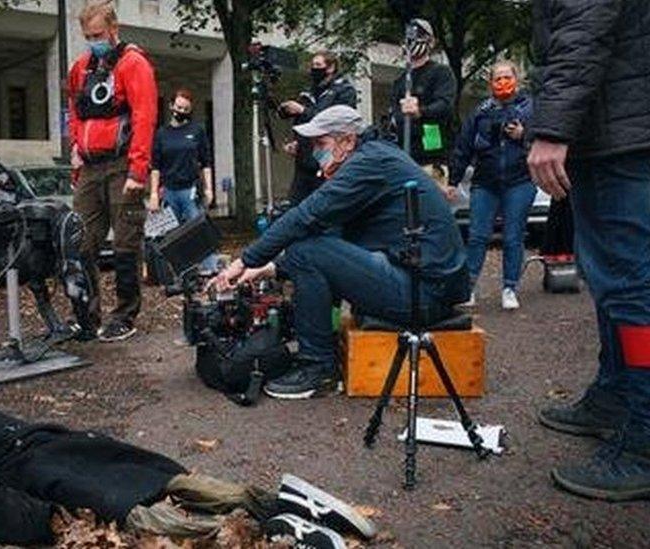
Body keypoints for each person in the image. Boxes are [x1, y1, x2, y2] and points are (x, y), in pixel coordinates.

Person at [0, 404, 377, 547]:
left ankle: (282, 532)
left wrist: (39, 525)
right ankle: (279, 502)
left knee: (137, 511)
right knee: (162, 478)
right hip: (53, 438)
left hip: (35, 468)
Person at [210, 106, 469, 399]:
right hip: (426, 285)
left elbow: (306, 215)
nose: (316, 153)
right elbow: (333, 234)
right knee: (308, 249)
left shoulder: (369, 163)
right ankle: (319, 350)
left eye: (321, 144)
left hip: (424, 294)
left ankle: (319, 367)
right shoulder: (375, 156)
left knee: (304, 251)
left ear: (347, 141)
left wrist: (245, 261)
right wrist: (267, 269)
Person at [527, 0, 650, 501]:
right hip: (616, 127)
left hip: (616, 134)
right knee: (615, 289)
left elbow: (582, 28)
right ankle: (616, 396)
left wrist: (554, 128)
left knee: (633, 296)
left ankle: (644, 437)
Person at [68, 0, 158, 342]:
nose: (94, 40)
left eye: (99, 34)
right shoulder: (81, 68)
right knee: (80, 243)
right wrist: (76, 147)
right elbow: (75, 111)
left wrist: (138, 170)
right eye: (89, 35)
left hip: (122, 165)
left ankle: (124, 314)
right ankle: (86, 315)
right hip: (90, 166)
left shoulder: (133, 64)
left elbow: (144, 116)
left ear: (114, 29)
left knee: (125, 242)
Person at [448, 61, 535, 310]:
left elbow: (543, 138)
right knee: (477, 236)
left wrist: (523, 134)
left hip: (520, 181)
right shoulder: (481, 111)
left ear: (517, 79)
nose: (502, 82)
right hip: (485, 182)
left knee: (513, 237)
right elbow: (463, 146)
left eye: (507, 77)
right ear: (490, 84)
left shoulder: (529, 108)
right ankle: (469, 288)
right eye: (497, 78)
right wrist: (453, 180)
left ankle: (510, 288)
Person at [148, 88, 218, 272]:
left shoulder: (197, 130)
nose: (181, 112)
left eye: (185, 109)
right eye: (178, 107)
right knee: (170, 235)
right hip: (169, 191)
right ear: (171, 106)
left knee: (198, 232)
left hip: (190, 190)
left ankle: (210, 271)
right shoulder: (162, 134)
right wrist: (154, 194)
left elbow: (206, 162)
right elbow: (155, 167)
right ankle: (177, 273)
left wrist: (209, 189)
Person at [281, 50, 358, 203]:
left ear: (331, 67)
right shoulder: (308, 93)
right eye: (312, 65)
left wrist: (303, 110)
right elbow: (302, 122)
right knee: (296, 208)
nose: (314, 69)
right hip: (304, 162)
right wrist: (297, 142)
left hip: (329, 162)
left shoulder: (344, 91)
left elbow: (334, 122)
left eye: (318, 65)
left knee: (325, 206)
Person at [388, 18, 457, 190]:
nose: (413, 42)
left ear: (431, 41)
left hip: (432, 155)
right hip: (405, 157)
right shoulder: (400, 81)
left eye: (420, 35)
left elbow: (445, 106)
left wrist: (421, 111)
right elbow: (394, 117)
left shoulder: (441, 73)